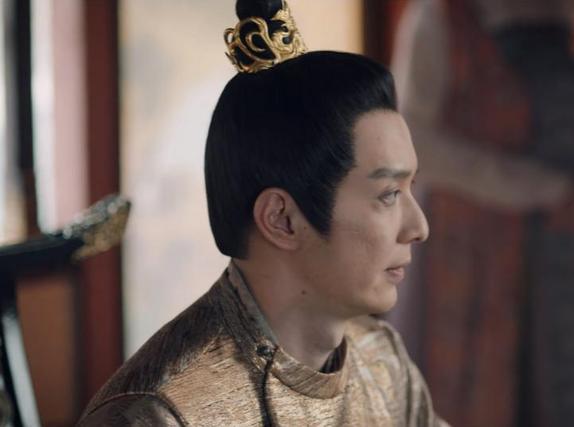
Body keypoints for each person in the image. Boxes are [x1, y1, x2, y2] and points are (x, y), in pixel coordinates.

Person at [78, 0, 448, 425]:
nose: (419, 227)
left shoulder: (383, 362)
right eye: (388, 194)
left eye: (409, 188)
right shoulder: (159, 412)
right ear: (281, 219)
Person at [388, 0, 574, 426]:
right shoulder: (441, 15)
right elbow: (412, 136)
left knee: (565, 379)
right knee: (475, 392)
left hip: (566, 249)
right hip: (471, 253)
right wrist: (528, 184)